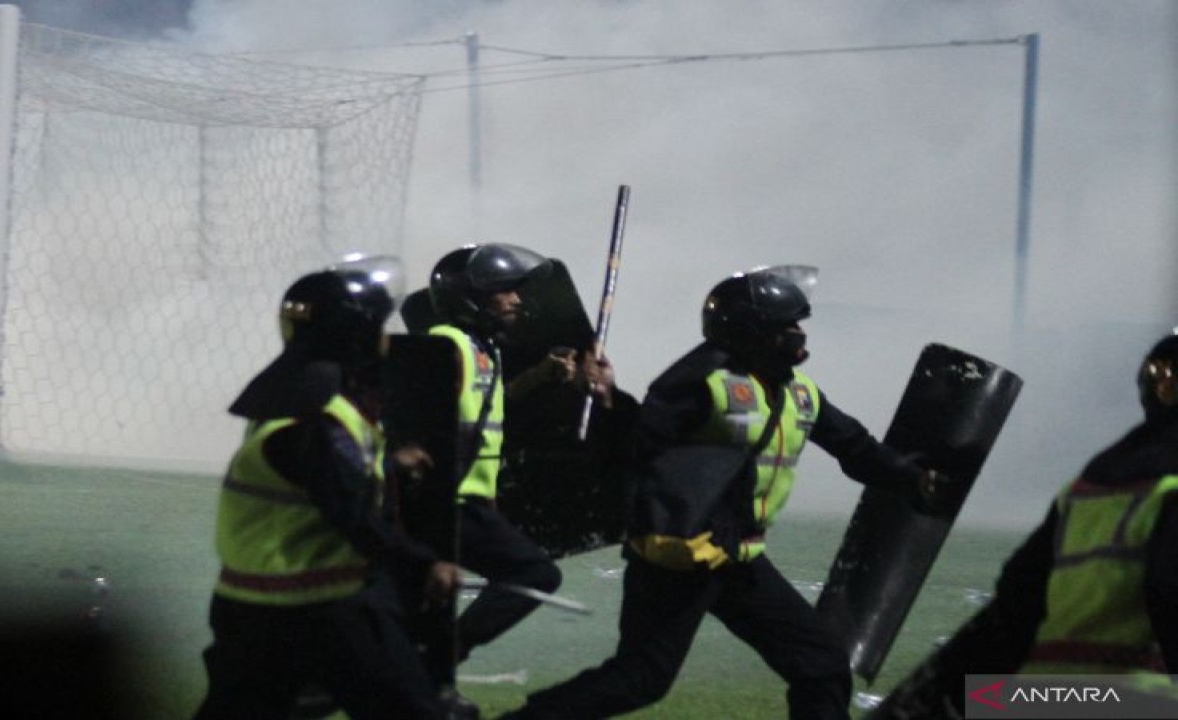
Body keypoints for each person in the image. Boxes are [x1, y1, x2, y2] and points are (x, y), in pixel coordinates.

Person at [501, 267, 946, 720]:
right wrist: (606, 396)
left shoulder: (801, 393)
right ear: (753, 331)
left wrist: (912, 478)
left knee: (822, 667)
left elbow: (855, 447)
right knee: (640, 680)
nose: (797, 334)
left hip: (738, 557)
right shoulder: (698, 382)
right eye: (786, 325)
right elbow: (632, 446)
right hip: (679, 558)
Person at [192, 256, 469, 720]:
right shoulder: (320, 420)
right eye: (380, 325)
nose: (386, 336)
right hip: (322, 607)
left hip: (249, 607)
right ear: (356, 337)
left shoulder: (285, 401)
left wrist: (387, 464)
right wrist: (424, 564)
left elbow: (311, 482)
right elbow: (350, 511)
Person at [869, 330, 1178, 719]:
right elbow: (1167, 590)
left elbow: (1016, 599)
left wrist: (938, 697)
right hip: (1132, 700)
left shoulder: (1098, 477)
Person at [424, 243, 616, 663]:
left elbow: (488, 404)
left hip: (468, 503)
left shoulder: (482, 349)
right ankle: (441, 656)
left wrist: (541, 376)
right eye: (504, 290)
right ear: (469, 297)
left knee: (418, 608)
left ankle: (427, 670)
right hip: (443, 503)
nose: (516, 298)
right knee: (533, 572)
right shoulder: (447, 345)